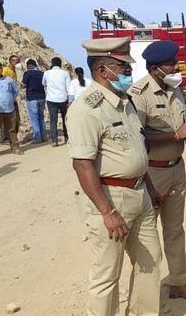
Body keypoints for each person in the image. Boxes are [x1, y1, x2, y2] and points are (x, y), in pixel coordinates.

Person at [67, 36, 162, 316]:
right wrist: (108, 212)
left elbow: (136, 150)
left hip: (140, 193)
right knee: (107, 273)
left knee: (151, 261)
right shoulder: (86, 109)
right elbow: (82, 165)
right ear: (102, 70)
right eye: (122, 67)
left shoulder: (125, 101)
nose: (128, 72)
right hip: (111, 197)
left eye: (128, 66)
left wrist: (150, 186)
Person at [129, 40, 186, 300]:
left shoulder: (176, 90)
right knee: (147, 234)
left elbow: (184, 125)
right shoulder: (139, 94)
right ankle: (146, 292)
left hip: (177, 169)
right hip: (152, 172)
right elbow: (137, 135)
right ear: (156, 67)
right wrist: (175, 135)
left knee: (175, 229)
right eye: (171, 64)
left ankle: (179, 281)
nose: (175, 67)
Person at [43, 57, 70, 146]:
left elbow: (43, 83)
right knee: (65, 119)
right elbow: (68, 88)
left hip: (51, 99)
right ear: (60, 64)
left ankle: (54, 141)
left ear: (52, 63)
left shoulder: (46, 73)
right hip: (63, 99)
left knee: (53, 120)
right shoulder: (65, 73)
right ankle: (67, 138)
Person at [21, 59, 46, 143]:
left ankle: (37, 138)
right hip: (42, 97)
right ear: (35, 65)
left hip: (32, 98)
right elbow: (45, 84)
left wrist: (21, 85)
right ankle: (43, 137)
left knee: (34, 119)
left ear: (28, 66)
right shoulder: (42, 73)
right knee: (41, 117)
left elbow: (23, 85)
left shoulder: (27, 73)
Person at [0, 55, 21, 145]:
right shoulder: (5, 70)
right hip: (6, 98)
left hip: (12, 98)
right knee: (6, 118)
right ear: (11, 61)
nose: (17, 63)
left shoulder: (14, 71)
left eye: (18, 61)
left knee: (16, 118)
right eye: (16, 61)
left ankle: (12, 137)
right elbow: (1, 82)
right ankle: (4, 138)